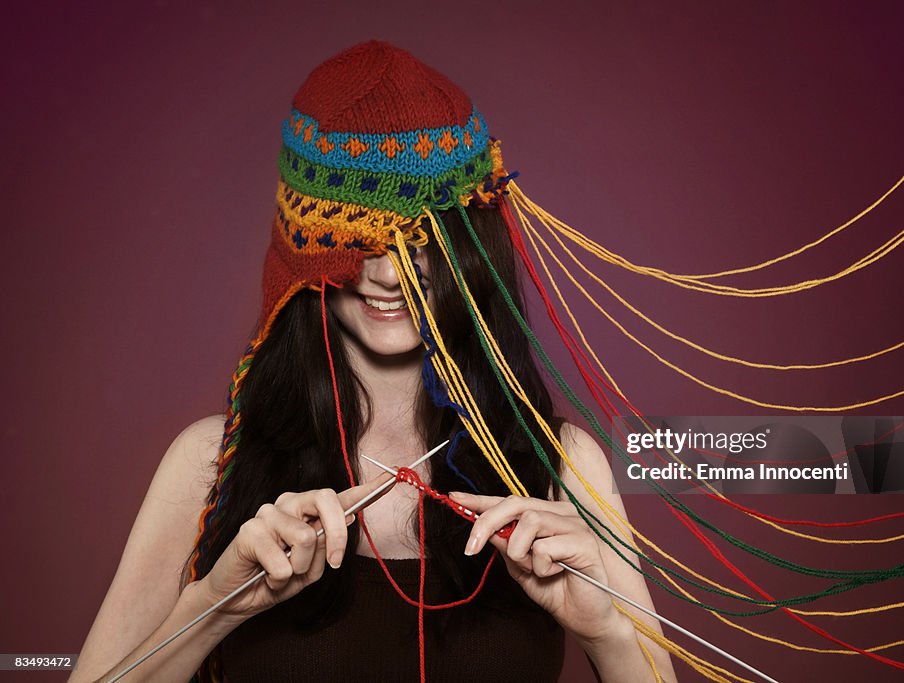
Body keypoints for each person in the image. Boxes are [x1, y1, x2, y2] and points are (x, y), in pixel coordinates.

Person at [72, 40, 676, 682]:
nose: (390, 275)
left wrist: (609, 633)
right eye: (361, 241)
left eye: (420, 240)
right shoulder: (208, 464)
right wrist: (213, 610)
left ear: (473, 246)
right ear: (302, 251)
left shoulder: (565, 464)